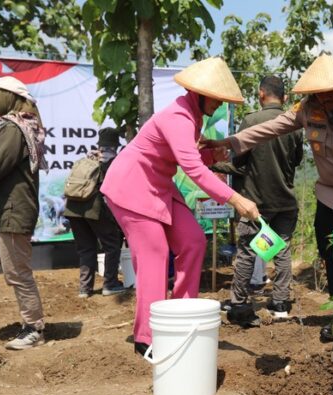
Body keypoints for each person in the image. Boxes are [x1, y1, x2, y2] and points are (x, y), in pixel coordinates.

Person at [202, 53, 333, 353]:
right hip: (330, 196)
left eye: (330, 93)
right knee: (332, 257)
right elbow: (272, 127)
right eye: (320, 94)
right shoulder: (307, 109)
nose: (325, 99)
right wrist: (229, 143)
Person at [100, 57, 260, 357]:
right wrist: (237, 200)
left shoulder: (193, 116)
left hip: (159, 185)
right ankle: (147, 338)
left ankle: (180, 314)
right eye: (215, 98)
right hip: (131, 186)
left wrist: (212, 154)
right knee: (155, 253)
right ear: (198, 93)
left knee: (194, 241)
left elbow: (191, 156)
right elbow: (194, 171)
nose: (218, 104)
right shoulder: (179, 116)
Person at [213, 76, 303, 325]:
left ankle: (240, 304)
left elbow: (240, 165)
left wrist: (213, 165)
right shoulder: (294, 124)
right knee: (281, 250)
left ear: (261, 93)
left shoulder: (251, 121)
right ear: (284, 97)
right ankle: (281, 303)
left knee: (248, 251)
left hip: (255, 203)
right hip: (285, 200)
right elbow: (296, 160)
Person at [0, 76, 48, 349]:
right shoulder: (20, 126)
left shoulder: (14, 129)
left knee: (17, 273)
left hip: (12, 212)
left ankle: (34, 328)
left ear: (6, 97)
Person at [64, 127, 127, 298]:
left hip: (73, 209)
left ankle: (85, 289)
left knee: (86, 248)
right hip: (95, 209)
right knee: (112, 244)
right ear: (115, 145)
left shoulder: (87, 158)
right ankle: (110, 284)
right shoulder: (114, 162)